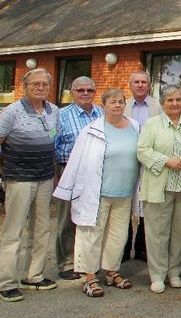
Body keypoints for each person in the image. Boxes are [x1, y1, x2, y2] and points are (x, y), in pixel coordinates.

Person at [55, 88, 142, 297]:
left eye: (121, 101)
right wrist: (67, 189)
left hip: (124, 192)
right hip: (98, 192)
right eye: (113, 102)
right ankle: (89, 277)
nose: (117, 105)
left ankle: (112, 272)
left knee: (118, 235)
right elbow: (76, 159)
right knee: (91, 235)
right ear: (104, 105)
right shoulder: (92, 130)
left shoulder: (135, 127)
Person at [0, 68, 60, 302]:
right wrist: (6, 172)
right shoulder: (11, 112)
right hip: (19, 180)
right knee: (14, 232)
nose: (40, 88)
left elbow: (52, 139)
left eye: (44, 85)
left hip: (44, 178)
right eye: (35, 84)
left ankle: (34, 276)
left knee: (42, 230)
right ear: (25, 87)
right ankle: (6, 282)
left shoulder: (53, 111)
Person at [136, 85, 181, 294]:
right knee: (157, 233)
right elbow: (142, 151)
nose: (175, 104)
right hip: (159, 187)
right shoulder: (152, 124)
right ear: (162, 104)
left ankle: (174, 272)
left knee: (179, 232)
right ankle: (157, 275)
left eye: (178, 100)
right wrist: (166, 160)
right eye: (170, 100)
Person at [54, 76, 103, 280]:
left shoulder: (102, 112)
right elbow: (51, 144)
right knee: (67, 219)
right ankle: (66, 263)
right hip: (69, 170)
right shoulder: (60, 115)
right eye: (80, 90)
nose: (85, 93)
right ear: (72, 92)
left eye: (89, 90)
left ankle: (90, 261)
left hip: (97, 173)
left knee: (93, 219)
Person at [124, 70, 160, 262]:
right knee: (125, 204)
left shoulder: (157, 106)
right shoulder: (123, 106)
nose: (140, 85)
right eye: (136, 82)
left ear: (149, 85)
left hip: (149, 161)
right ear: (130, 85)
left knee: (146, 203)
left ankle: (141, 248)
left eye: (143, 82)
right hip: (126, 160)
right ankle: (123, 248)